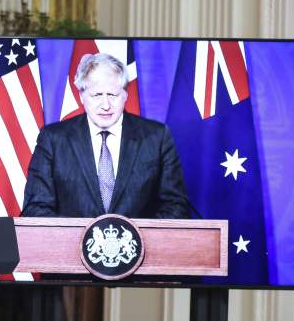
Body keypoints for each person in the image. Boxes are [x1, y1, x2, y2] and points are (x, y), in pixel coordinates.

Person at [21, 53, 190, 219]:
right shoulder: (53, 139)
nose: (105, 105)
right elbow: (35, 209)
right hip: (70, 246)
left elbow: (176, 207)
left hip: (140, 246)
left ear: (125, 95)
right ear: (81, 96)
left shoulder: (157, 137)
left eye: (112, 95)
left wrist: (133, 239)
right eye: (96, 95)